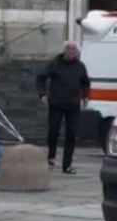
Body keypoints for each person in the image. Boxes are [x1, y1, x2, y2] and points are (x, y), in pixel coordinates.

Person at [36, 41, 90, 174]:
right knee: (53, 131)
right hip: (56, 103)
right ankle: (51, 157)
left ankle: (67, 165)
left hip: (73, 104)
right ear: (64, 51)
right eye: (69, 49)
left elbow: (85, 82)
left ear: (76, 52)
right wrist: (43, 95)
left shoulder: (80, 66)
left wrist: (85, 96)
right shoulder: (55, 64)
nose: (71, 52)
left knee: (71, 134)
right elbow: (41, 78)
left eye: (73, 50)